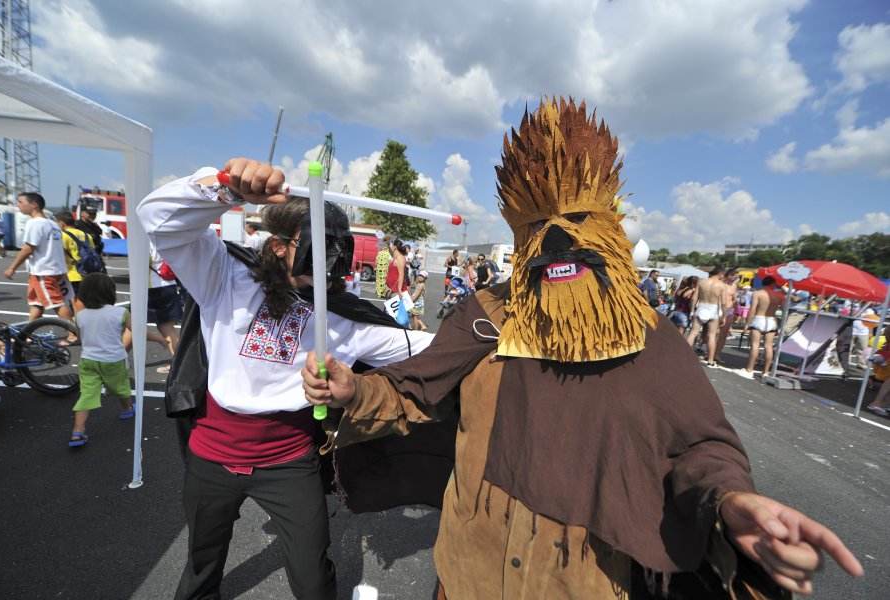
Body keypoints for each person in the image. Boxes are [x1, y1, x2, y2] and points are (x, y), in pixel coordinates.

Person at [302, 98, 861, 599]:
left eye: (575, 219)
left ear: (612, 226)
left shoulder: (648, 336)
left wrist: (731, 501)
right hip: (467, 572)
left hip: (580, 583)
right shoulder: (487, 315)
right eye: (538, 224)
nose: (557, 239)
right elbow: (411, 390)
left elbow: (699, 447)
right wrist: (356, 389)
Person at [137, 157, 432, 600]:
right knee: (201, 566)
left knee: (313, 579)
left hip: (288, 464)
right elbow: (156, 218)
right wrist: (229, 186)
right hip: (211, 457)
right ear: (278, 246)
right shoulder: (224, 276)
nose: (333, 258)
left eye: (340, 246)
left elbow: (431, 351)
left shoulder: (347, 321)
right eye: (319, 243)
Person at [68, 272, 167, 447]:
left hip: (89, 360)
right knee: (121, 386)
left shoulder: (81, 315)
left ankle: (78, 431)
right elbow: (138, 332)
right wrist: (159, 338)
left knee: (87, 394)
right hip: (114, 359)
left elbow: (80, 337)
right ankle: (127, 410)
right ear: (110, 292)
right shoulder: (120, 312)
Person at [4, 192, 75, 323]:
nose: (18, 205)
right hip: (55, 269)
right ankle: (26, 334)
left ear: (33, 204)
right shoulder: (53, 224)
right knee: (36, 303)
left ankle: (73, 334)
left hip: (44, 271)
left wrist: (12, 267)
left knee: (57, 303)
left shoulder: (35, 223)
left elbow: (29, 248)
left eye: (20, 202)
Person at [736, 277, 786, 379]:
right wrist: (780, 325)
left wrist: (747, 324)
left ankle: (749, 370)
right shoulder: (780, 296)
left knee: (755, 345)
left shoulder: (757, 293)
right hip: (771, 320)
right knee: (768, 346)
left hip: (758, 319)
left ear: (763, 283)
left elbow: (752, 310)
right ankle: (766, 372)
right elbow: (785, 311)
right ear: (773, 284)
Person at [685, 266, 729, 367]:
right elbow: (724, 303)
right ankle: (710, 360)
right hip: (713, 309)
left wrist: (692, 310)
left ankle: (684, 353)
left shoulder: (701, 282)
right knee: (712, 336)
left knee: (693, 333)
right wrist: (724, 316)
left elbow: (694, 298)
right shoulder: (722, 285)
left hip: (701, 306)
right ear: (720, 274)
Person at [55, 210, 95, 301]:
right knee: (87, 302)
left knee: (75, 304)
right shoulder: (86, 235)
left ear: (61, 223)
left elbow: (59, 255)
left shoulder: (63, 236)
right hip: (88, 274)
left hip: (72, 275)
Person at [713, 268, 740, 364]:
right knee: (713, 333)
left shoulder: (734, 285)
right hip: (717, 309)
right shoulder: (720, 283)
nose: (736, 279)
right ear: (729, 275)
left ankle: (716, 354)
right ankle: (710, 353)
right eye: (735, 277)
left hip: (729, 310)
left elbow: (735, 300)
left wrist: (737, 312)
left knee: (723, 335)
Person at [75, 205, 106, 272]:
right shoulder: (77, 226)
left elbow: (98, 243)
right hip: (83, 259)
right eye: (90, 213)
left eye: (94, 213)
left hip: (96, 258)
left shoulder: (95, 226)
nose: (92, 215)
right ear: (82, 213)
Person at [374, 234, 393, 299]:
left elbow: (375, 262)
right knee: (384, 282)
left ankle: (379, 292)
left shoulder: (379, 253)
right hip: (385, 272)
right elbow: (391, 263)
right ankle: (384, 292)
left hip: (379, 272)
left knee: (380, 280)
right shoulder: (389, 254)